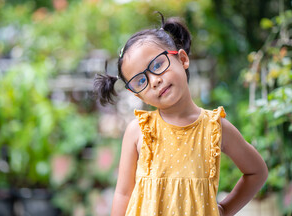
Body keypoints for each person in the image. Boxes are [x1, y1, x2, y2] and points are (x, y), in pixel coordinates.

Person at [94, 13, 268, 216]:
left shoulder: (215, 128)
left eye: (158, 65)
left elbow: (257, 172)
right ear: (136, 93)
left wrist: (225, 209)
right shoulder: (139, 131)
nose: (154, 81)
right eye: (141, 81)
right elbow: (123, 193)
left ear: (182, 59)